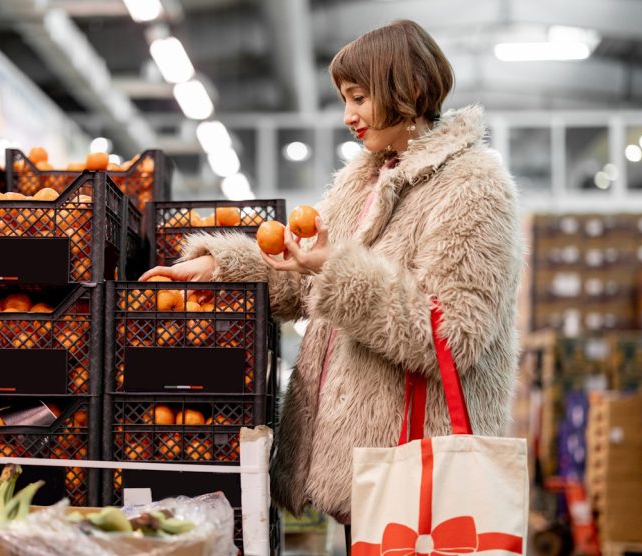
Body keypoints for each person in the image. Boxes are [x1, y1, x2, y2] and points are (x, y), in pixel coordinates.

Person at [140, 18, 523, 542]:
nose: (348, 117)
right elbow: (302, 281)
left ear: (409, 90)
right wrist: (218, 268)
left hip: (417, 470)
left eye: (359, 98)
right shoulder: (362, 183)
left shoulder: (474, 188)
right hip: (364, 466)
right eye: (344, 99)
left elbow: (450, 335)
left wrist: (336, 269)